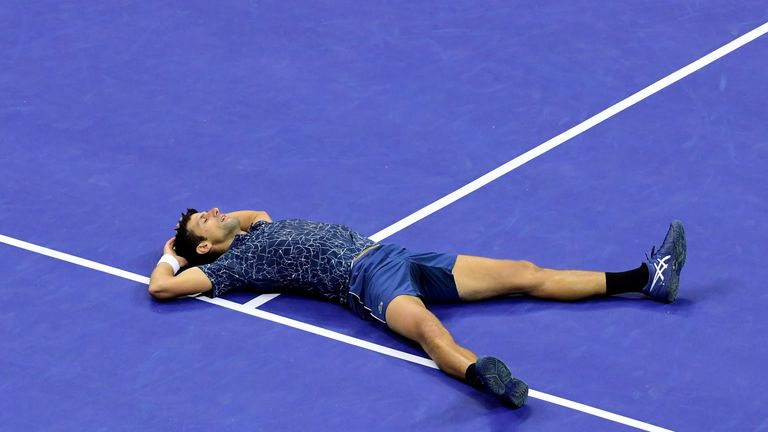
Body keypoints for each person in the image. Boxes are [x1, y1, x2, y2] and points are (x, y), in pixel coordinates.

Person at [149, 208, 687, 408]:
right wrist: (171, 256)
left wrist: (207, 231)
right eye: (204, 221)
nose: (216, 212)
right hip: (364, 279)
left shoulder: (254, 228)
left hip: (398, 255)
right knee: (430, 333)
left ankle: (647, 278)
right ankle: (485, 377)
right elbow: (161, 289)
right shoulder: (229, 269)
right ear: (201, 248)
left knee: (524, 272)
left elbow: (252, 211)